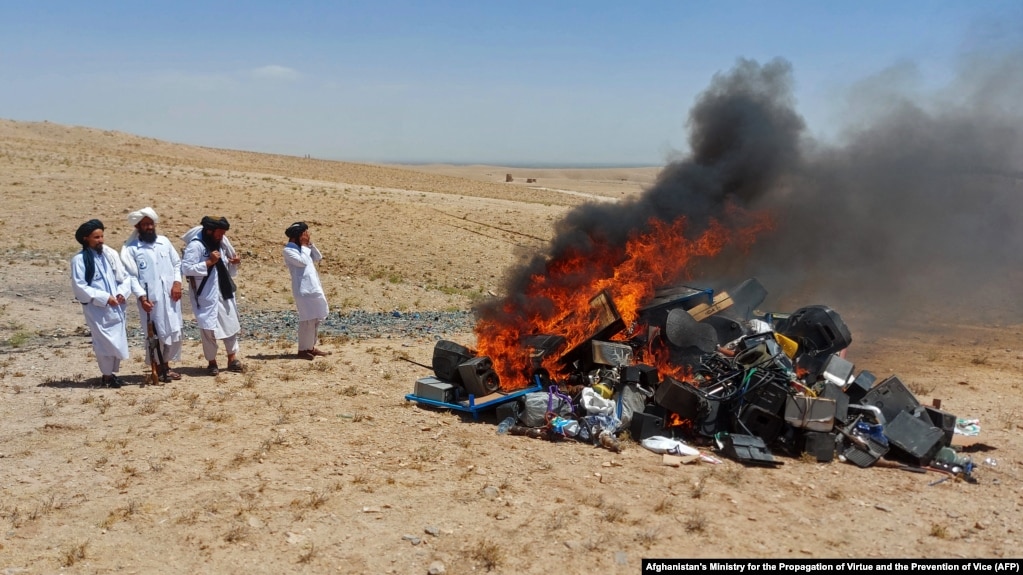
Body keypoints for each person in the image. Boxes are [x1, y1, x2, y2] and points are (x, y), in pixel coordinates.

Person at [120, 207, 184, 381]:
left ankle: (167, 366)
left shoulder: (164, 242)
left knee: (173, 331)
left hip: (171, 296)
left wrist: (177, 283)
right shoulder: (132, 249)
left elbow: (177, 264)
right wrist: (141, 296)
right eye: (145, 224)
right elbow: (131, 277)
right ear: (138, 227)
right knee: (155, 334)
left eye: (150, 224)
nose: (149, 227)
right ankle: (157, 368)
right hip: (150, 300)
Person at [70, 219, 131, 388]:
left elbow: (124, 277)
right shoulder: (79, 260)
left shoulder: (109, 254)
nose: (101, 240)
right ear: (85, 239)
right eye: (96, 237)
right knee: (103, 342)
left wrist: (121, 293)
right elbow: (80, 287)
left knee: (116, 340)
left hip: (116, 306)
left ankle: (110, 374)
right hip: (97, 309)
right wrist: (104, 297)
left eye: (102, 236)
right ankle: (107, 376)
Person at [181, 216, 244, 375]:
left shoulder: (221, 243)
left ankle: (232, 358)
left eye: (223, 233)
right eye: (219, 232)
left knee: (230, 324)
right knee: (208, 328)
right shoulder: (196, 246)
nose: (221, 236)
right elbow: (186, 268)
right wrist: (208, 262)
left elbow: (224, 264)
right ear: (209, 230)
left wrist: (233, 262)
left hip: (223, 290)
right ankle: (212, 362)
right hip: (206, 294)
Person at [283, 222, 331, 360]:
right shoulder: (288, 251)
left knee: (315, 319)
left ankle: (310, 347)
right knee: (307, 320)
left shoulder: (304, 248)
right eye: (304, 235)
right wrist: (303, 246)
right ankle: (302, 350)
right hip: (303, 291)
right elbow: (302, 261)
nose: (307, 237)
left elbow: (317, 257)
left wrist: (309, 244)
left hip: (313, 288)